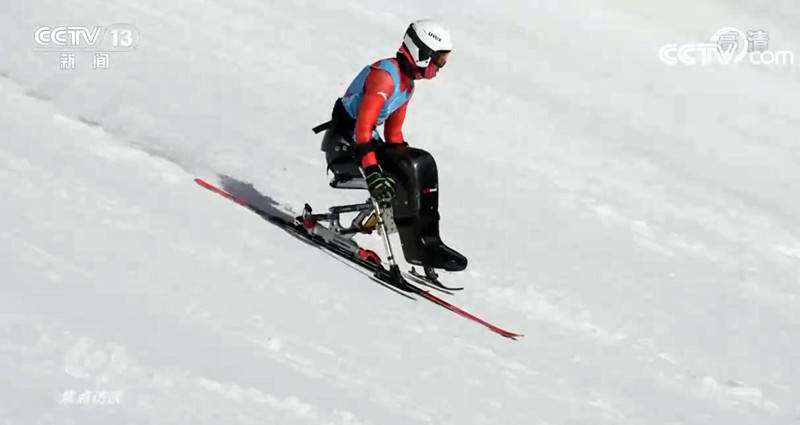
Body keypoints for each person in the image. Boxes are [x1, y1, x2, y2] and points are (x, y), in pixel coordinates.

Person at [314, 19, 467, 272]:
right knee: (410, 169)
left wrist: (409, 163)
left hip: (363, 142)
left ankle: (428, 244)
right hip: (345, 145)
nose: (440, 67)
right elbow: (362, 130)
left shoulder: (407, 85)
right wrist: (374, 172)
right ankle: (412, 249)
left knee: (422, 163)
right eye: (439, 59)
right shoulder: (385, 77)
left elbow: (393, 133)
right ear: (422, 53)